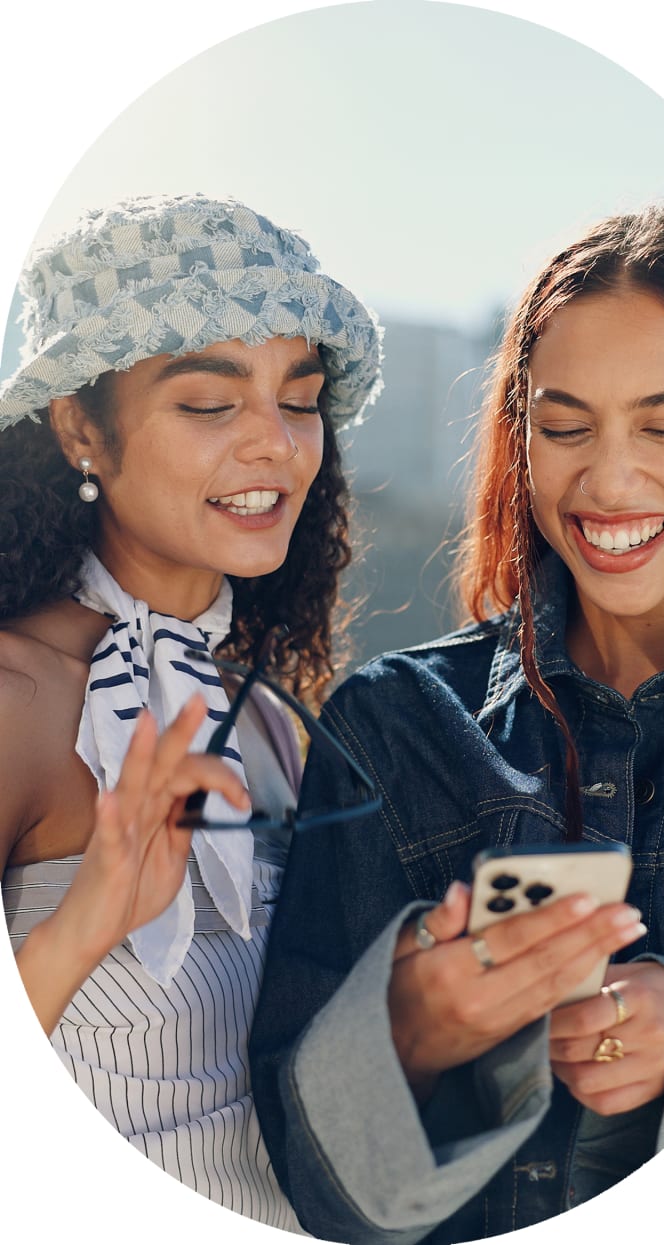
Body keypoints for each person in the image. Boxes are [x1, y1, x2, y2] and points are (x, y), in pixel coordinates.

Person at [249, 205, 664, 1243]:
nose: (606, 480)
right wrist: (413, 1032)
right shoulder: (392, 728)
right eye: (562, 426)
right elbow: (318, 1199)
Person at [0, 192, 381, 1229]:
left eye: (298, 399)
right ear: (80, 426)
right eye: (211, 404)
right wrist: (87, 921)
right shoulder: (16, 701)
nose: (274, 445)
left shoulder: (271, 721)